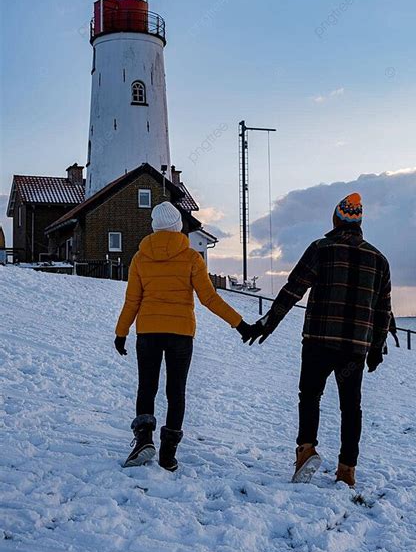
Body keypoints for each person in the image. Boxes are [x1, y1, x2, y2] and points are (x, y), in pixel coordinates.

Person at [240, 193, 391, 487]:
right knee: (351, 407)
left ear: (335, 219)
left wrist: (267, 325)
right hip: (355, 348)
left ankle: (306, 451)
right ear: (360, 223)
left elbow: (292, 290)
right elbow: (383, 309)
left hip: (318, 342)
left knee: (309, 396)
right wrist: (376, 348)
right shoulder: (379, 260)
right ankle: (347, 469)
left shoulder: (321, 248)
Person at [114, 201, 251, 469]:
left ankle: (144, 440)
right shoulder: (191, 258)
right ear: (178, 227)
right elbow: (209, 298)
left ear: (154, 228)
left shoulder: (140, 258)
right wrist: (240, 324)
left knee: (147, 387)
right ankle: (168, 454)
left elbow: (132, 302)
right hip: (180, 335)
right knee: (175, 391)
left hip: (148, 333)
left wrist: (121, 334)